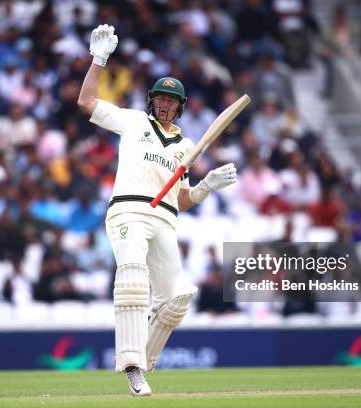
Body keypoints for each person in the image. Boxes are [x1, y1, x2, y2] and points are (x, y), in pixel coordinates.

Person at [77, 24, 237, 397]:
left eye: (171, 100)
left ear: (179, 106)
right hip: (128, 213)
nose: (164, 104)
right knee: (133, 277)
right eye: (159, 98)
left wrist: (206, 187)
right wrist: (98, 59)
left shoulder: (187, 146)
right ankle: (132, 366)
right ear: (152, 101)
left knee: (176, 299)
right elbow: (86, 102)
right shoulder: (134, 122)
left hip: (165, 219)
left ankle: (143, 361)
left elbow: (181, 199)